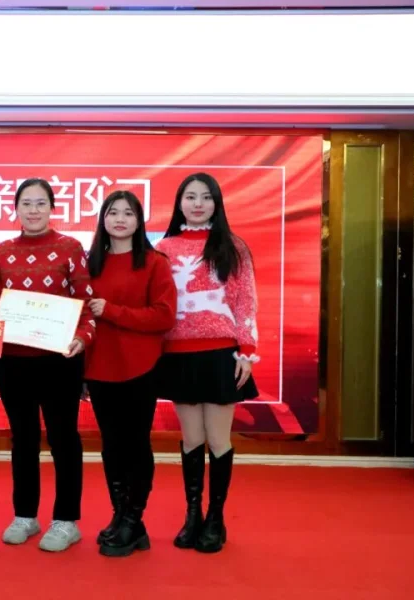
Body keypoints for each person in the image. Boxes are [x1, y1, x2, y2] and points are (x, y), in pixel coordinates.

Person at [0, 178, 96, 553]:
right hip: (14, 364)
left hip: (60, 362)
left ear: (52, 208)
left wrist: (82, 338)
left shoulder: (70, 247)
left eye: (41, 203)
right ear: (16, 209)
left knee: (63, 438)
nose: (34, 210)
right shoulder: (4, 251)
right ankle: (25, 515)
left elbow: (86, 304)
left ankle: (66, 520)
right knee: (22, 439)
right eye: (26, 203)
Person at [153, 172, 260, 554]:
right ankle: (192, 514)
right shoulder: (163, 248)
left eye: (205, 197)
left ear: (216, 203)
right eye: (190, 197)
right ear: (179, 203)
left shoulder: (232, 246)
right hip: (178, 354)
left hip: (220, 354)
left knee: (217, 439)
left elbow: (245, 300)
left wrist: (247, 349)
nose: (197, 204)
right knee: (191, 439)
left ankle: (216, 518)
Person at [83, 191, 177, 557]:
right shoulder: (90, 263)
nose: (120, 219)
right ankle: (122, 517)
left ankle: (134, 518)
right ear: (103, 219)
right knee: (111, 446)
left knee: (136, 444)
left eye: (128, 213)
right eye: (112, 212)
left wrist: (112, 310)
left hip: (140, 367)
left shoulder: (154, 263)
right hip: (98, 367)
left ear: (139, 221)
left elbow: (164, 316)